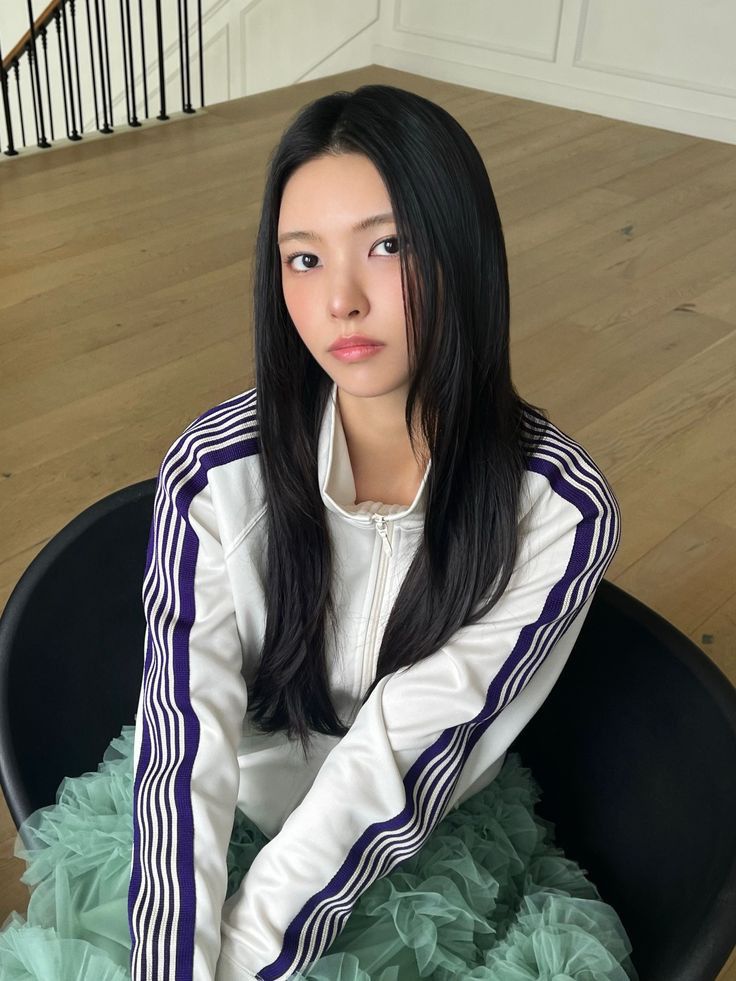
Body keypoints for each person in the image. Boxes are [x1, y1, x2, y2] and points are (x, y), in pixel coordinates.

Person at [0, 84, 636, 981]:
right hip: (219, 819)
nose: (341, 300)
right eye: (303, 258)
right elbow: (187, 739)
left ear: (462, 248)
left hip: (413, 845)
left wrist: (246, 963)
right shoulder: (215, 471)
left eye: (388, 246)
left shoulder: (559, 510)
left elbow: (393, 760)